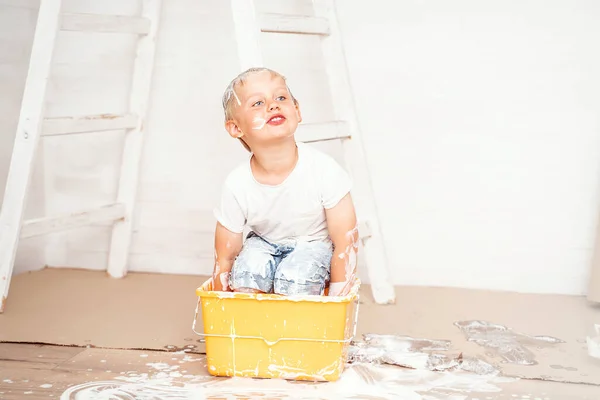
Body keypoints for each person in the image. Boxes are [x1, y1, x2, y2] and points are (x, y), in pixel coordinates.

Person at [211, 67, 358, 297]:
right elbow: (225, 256)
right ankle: (251, 328)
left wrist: (337, 302)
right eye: (257, 103)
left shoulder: (324, 170)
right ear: (236, 127)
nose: (273, 105)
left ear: (297, 111)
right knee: (247, 274)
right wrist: (220, 305)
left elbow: (345, 241)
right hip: (264, 243)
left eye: (281, 97)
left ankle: (295, 326)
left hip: (312, 244)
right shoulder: (237, 184)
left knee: (296, 277)